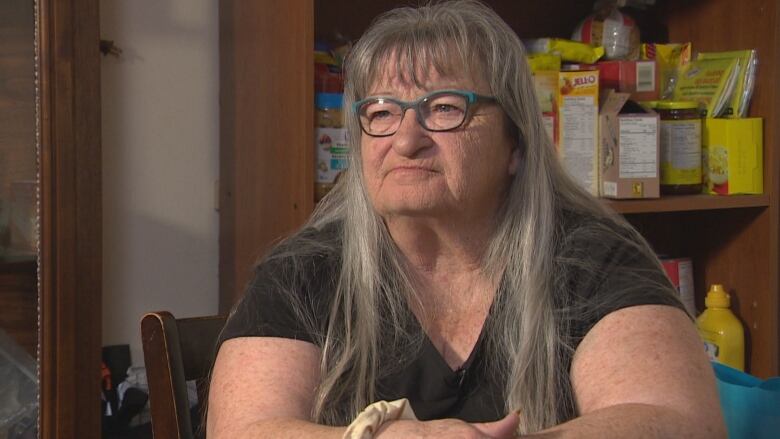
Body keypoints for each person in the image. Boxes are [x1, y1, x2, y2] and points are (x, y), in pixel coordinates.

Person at [207, 1, 725, 437]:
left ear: (515, 143)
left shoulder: (592, 257)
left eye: (445, 108)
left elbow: (681, 420)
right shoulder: (305, 269)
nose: (406, 141)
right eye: (382, 113)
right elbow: (243, 430)